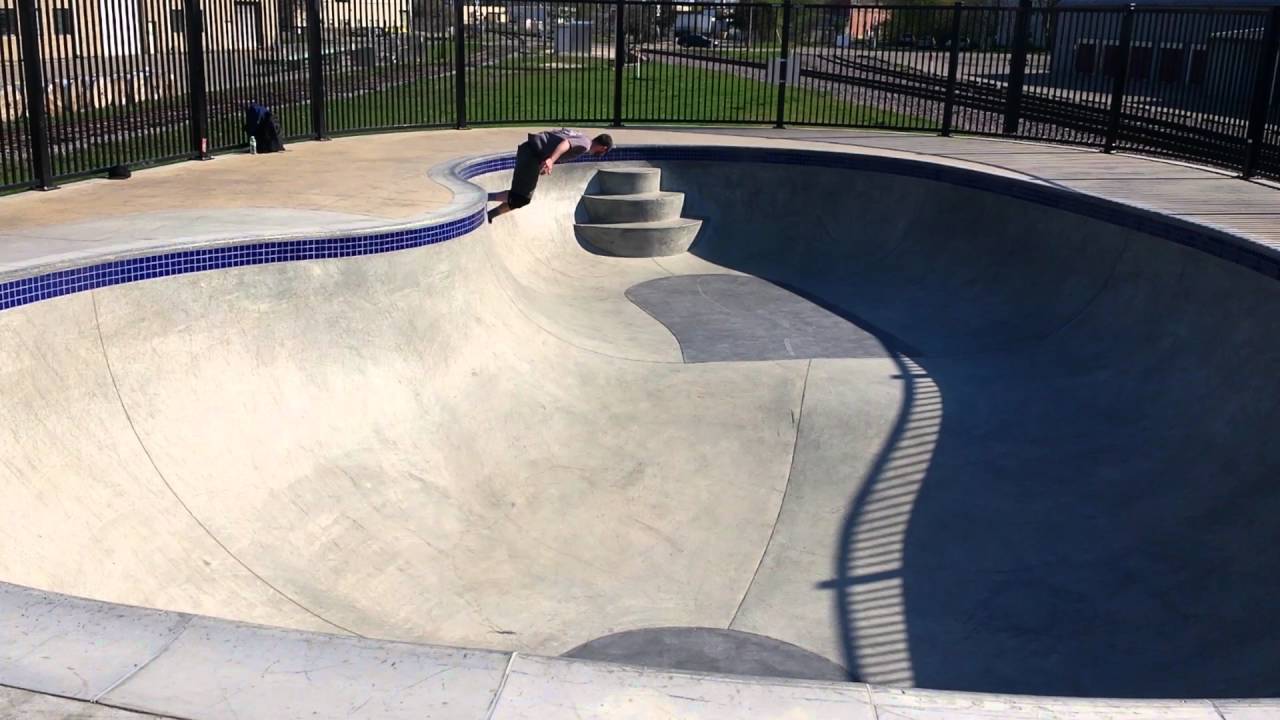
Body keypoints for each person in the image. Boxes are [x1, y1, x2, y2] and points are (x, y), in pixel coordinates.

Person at [487, 129, 613, 223]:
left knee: (520, 199)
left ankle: (489, 214)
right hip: (531, 154)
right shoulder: (585, 144)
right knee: (520, 198)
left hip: (532, 154)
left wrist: (545, 162)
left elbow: (556, 140)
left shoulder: (583, 138)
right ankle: (485, 198)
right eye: (604, 152)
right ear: (603, 148)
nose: (601, 155)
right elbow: (565, 144)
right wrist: (551, 160)